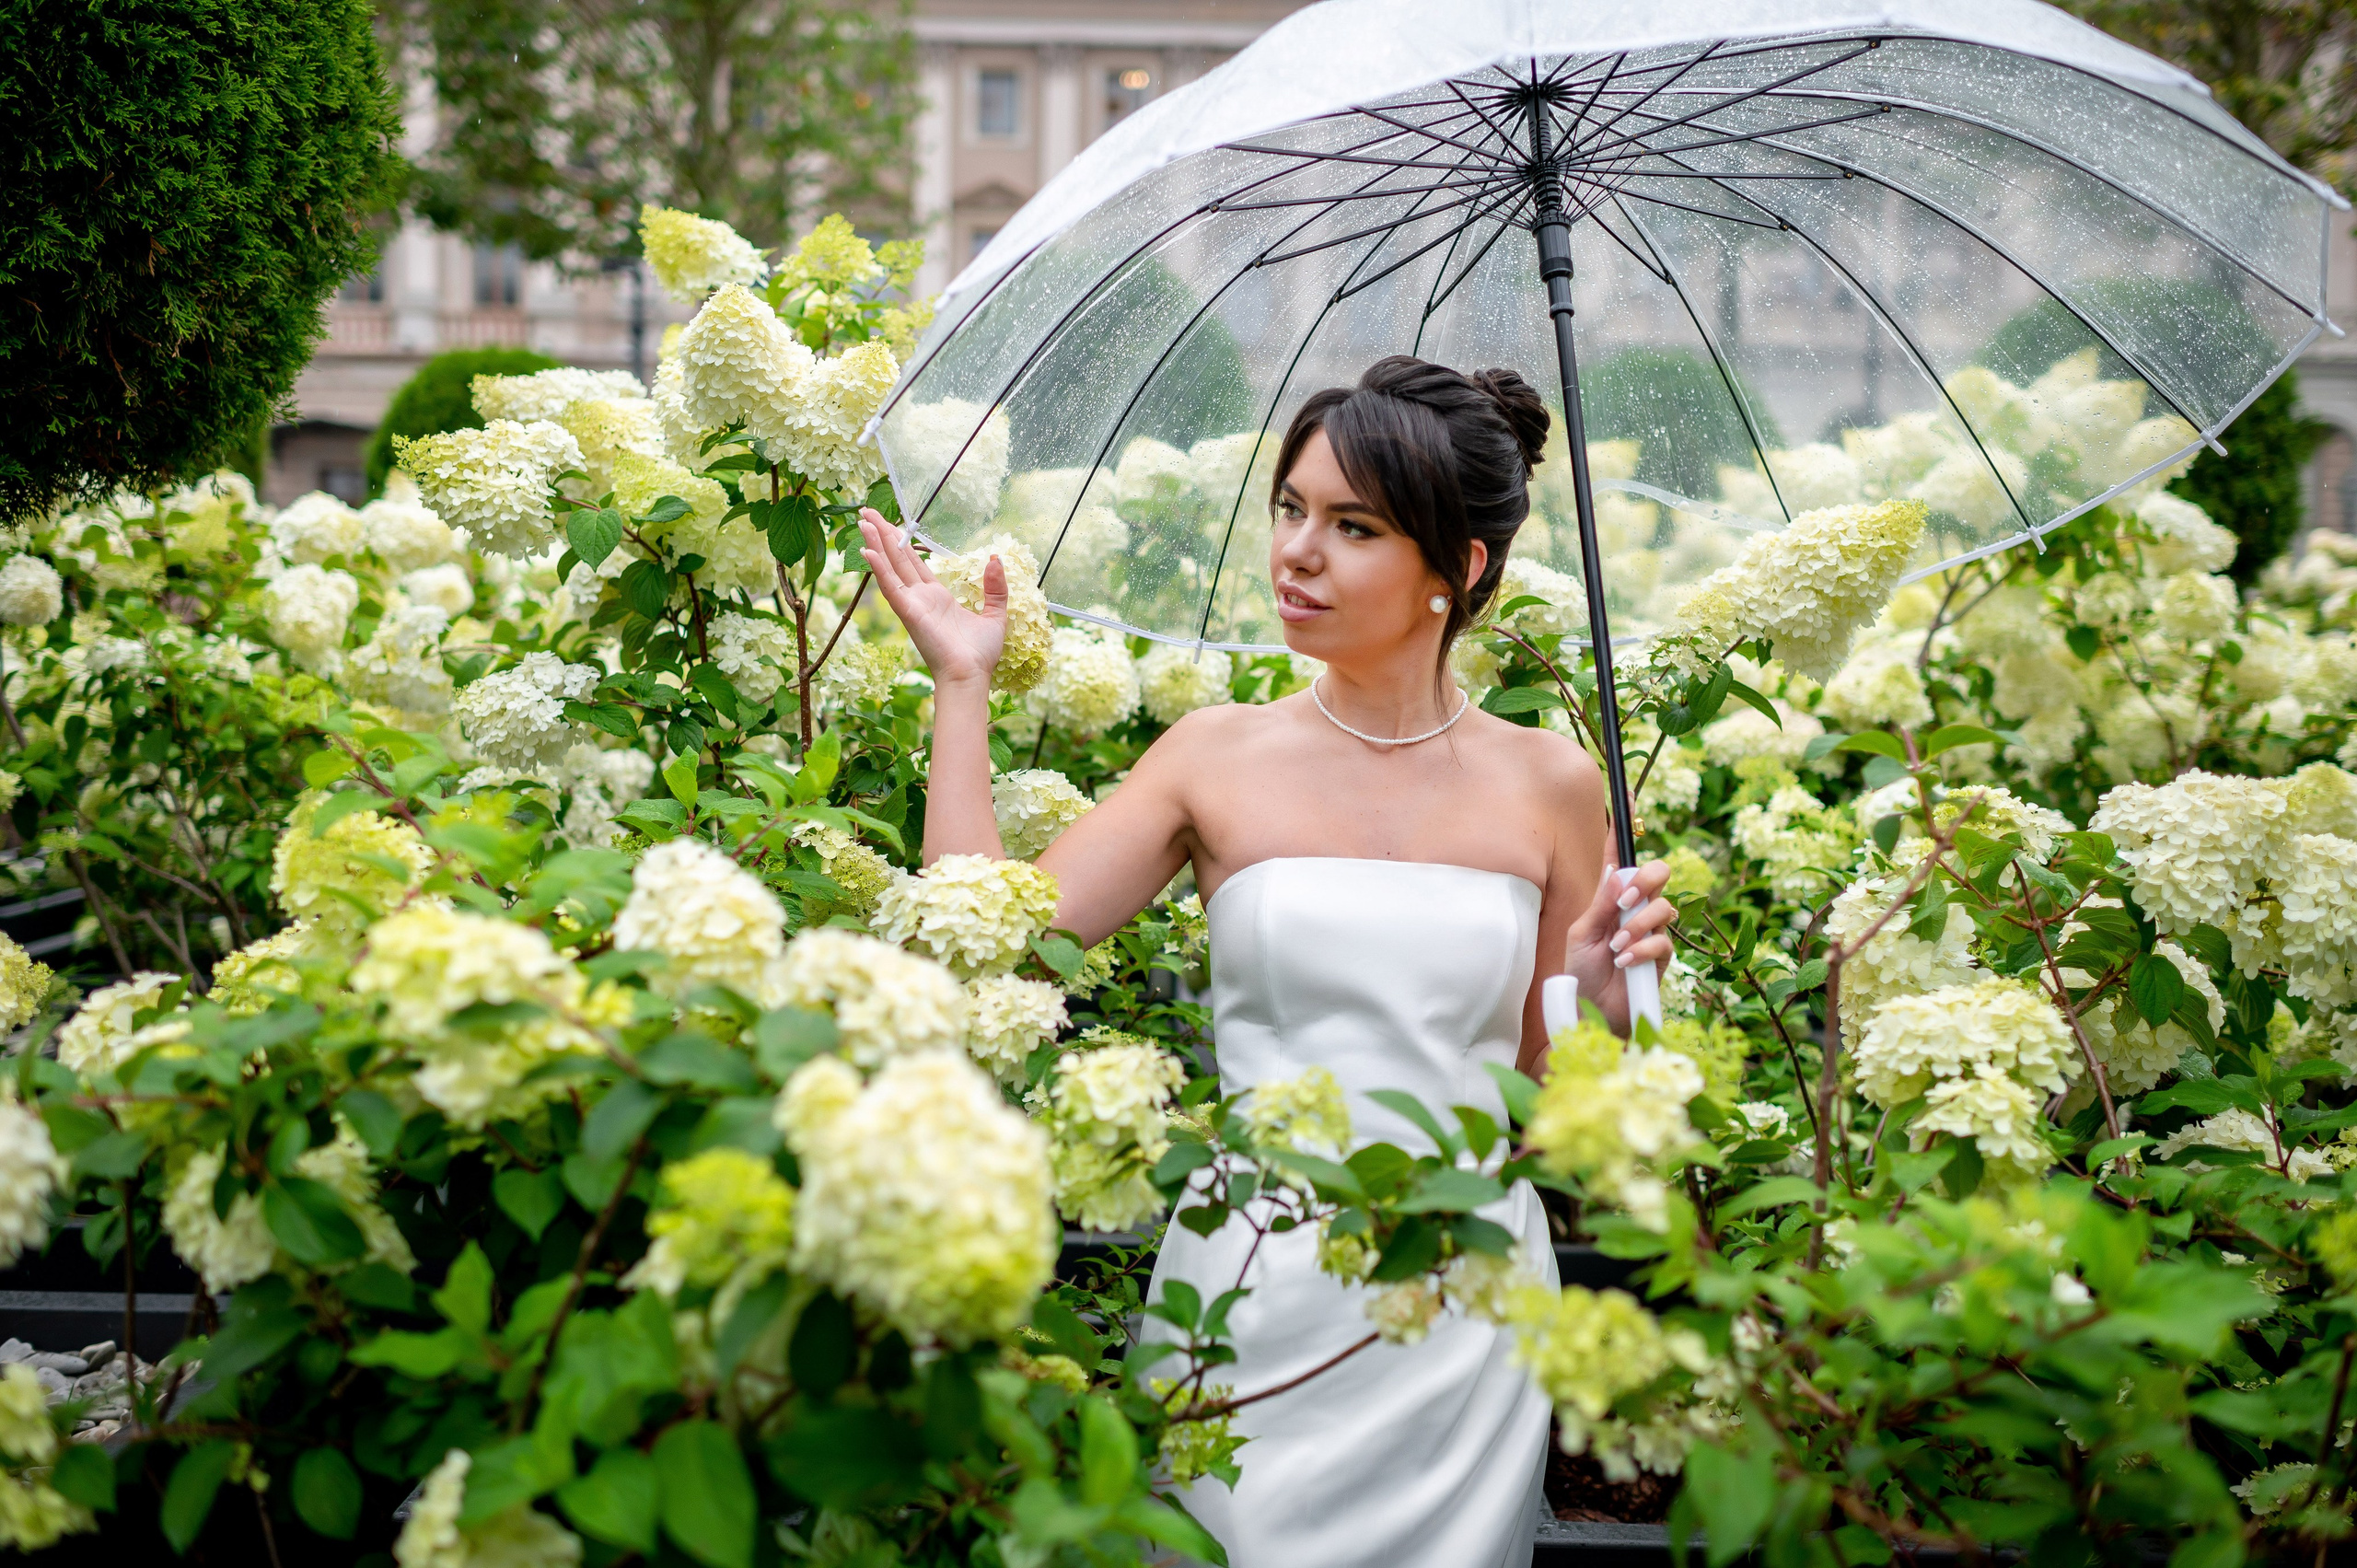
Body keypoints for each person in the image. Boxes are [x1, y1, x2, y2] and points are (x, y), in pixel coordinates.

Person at [855, 354, 1677, 1568]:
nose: (1298, 551)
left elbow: (1551, 1110)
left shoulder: (1552, 782)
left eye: (1354, 526)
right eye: (1291, 508)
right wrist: (961, 684)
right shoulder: (1213, 756)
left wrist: (1602, 1005)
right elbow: (984, 947)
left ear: (1460, 569)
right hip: (1244, 1290)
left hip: (1463, 1312)